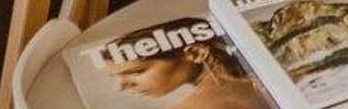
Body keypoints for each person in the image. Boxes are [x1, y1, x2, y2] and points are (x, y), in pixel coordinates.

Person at [100, 28, 269, 109]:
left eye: (136, 71)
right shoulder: (261, 78)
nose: (120, 86)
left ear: (196, 53)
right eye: (116, 77)